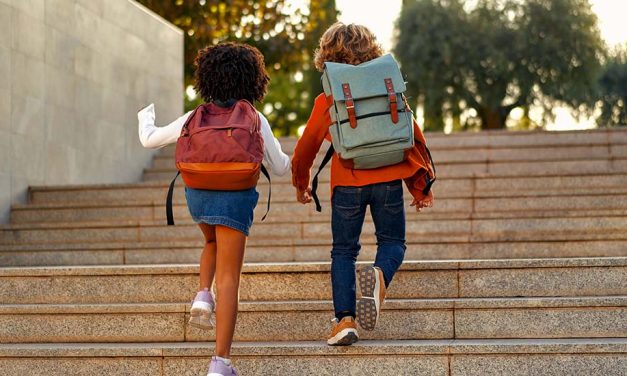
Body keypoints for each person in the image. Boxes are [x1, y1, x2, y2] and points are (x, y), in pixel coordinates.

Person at [138, 42, 290, 376]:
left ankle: (202, 295)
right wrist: (298, 161)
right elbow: (279, 168)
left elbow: (149, 139)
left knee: (210, 243)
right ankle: (220, 363)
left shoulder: (196, 115)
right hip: (235, 196)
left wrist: (145, 114)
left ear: (207, 78)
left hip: (199, 194)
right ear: (253, 79)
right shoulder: (254, 116)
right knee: (230, 278)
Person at [291, 23, 435, 346]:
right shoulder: (388, 88)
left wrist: (301, 183)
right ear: (371, 50)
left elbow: (305, 147)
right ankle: (380, 276)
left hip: (346, 183)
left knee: (344, 251)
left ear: (326, 55)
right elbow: (412, 134)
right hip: (388, 179)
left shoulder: (326, 98)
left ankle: (344, 321)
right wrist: (420, 185)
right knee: (393, 243)